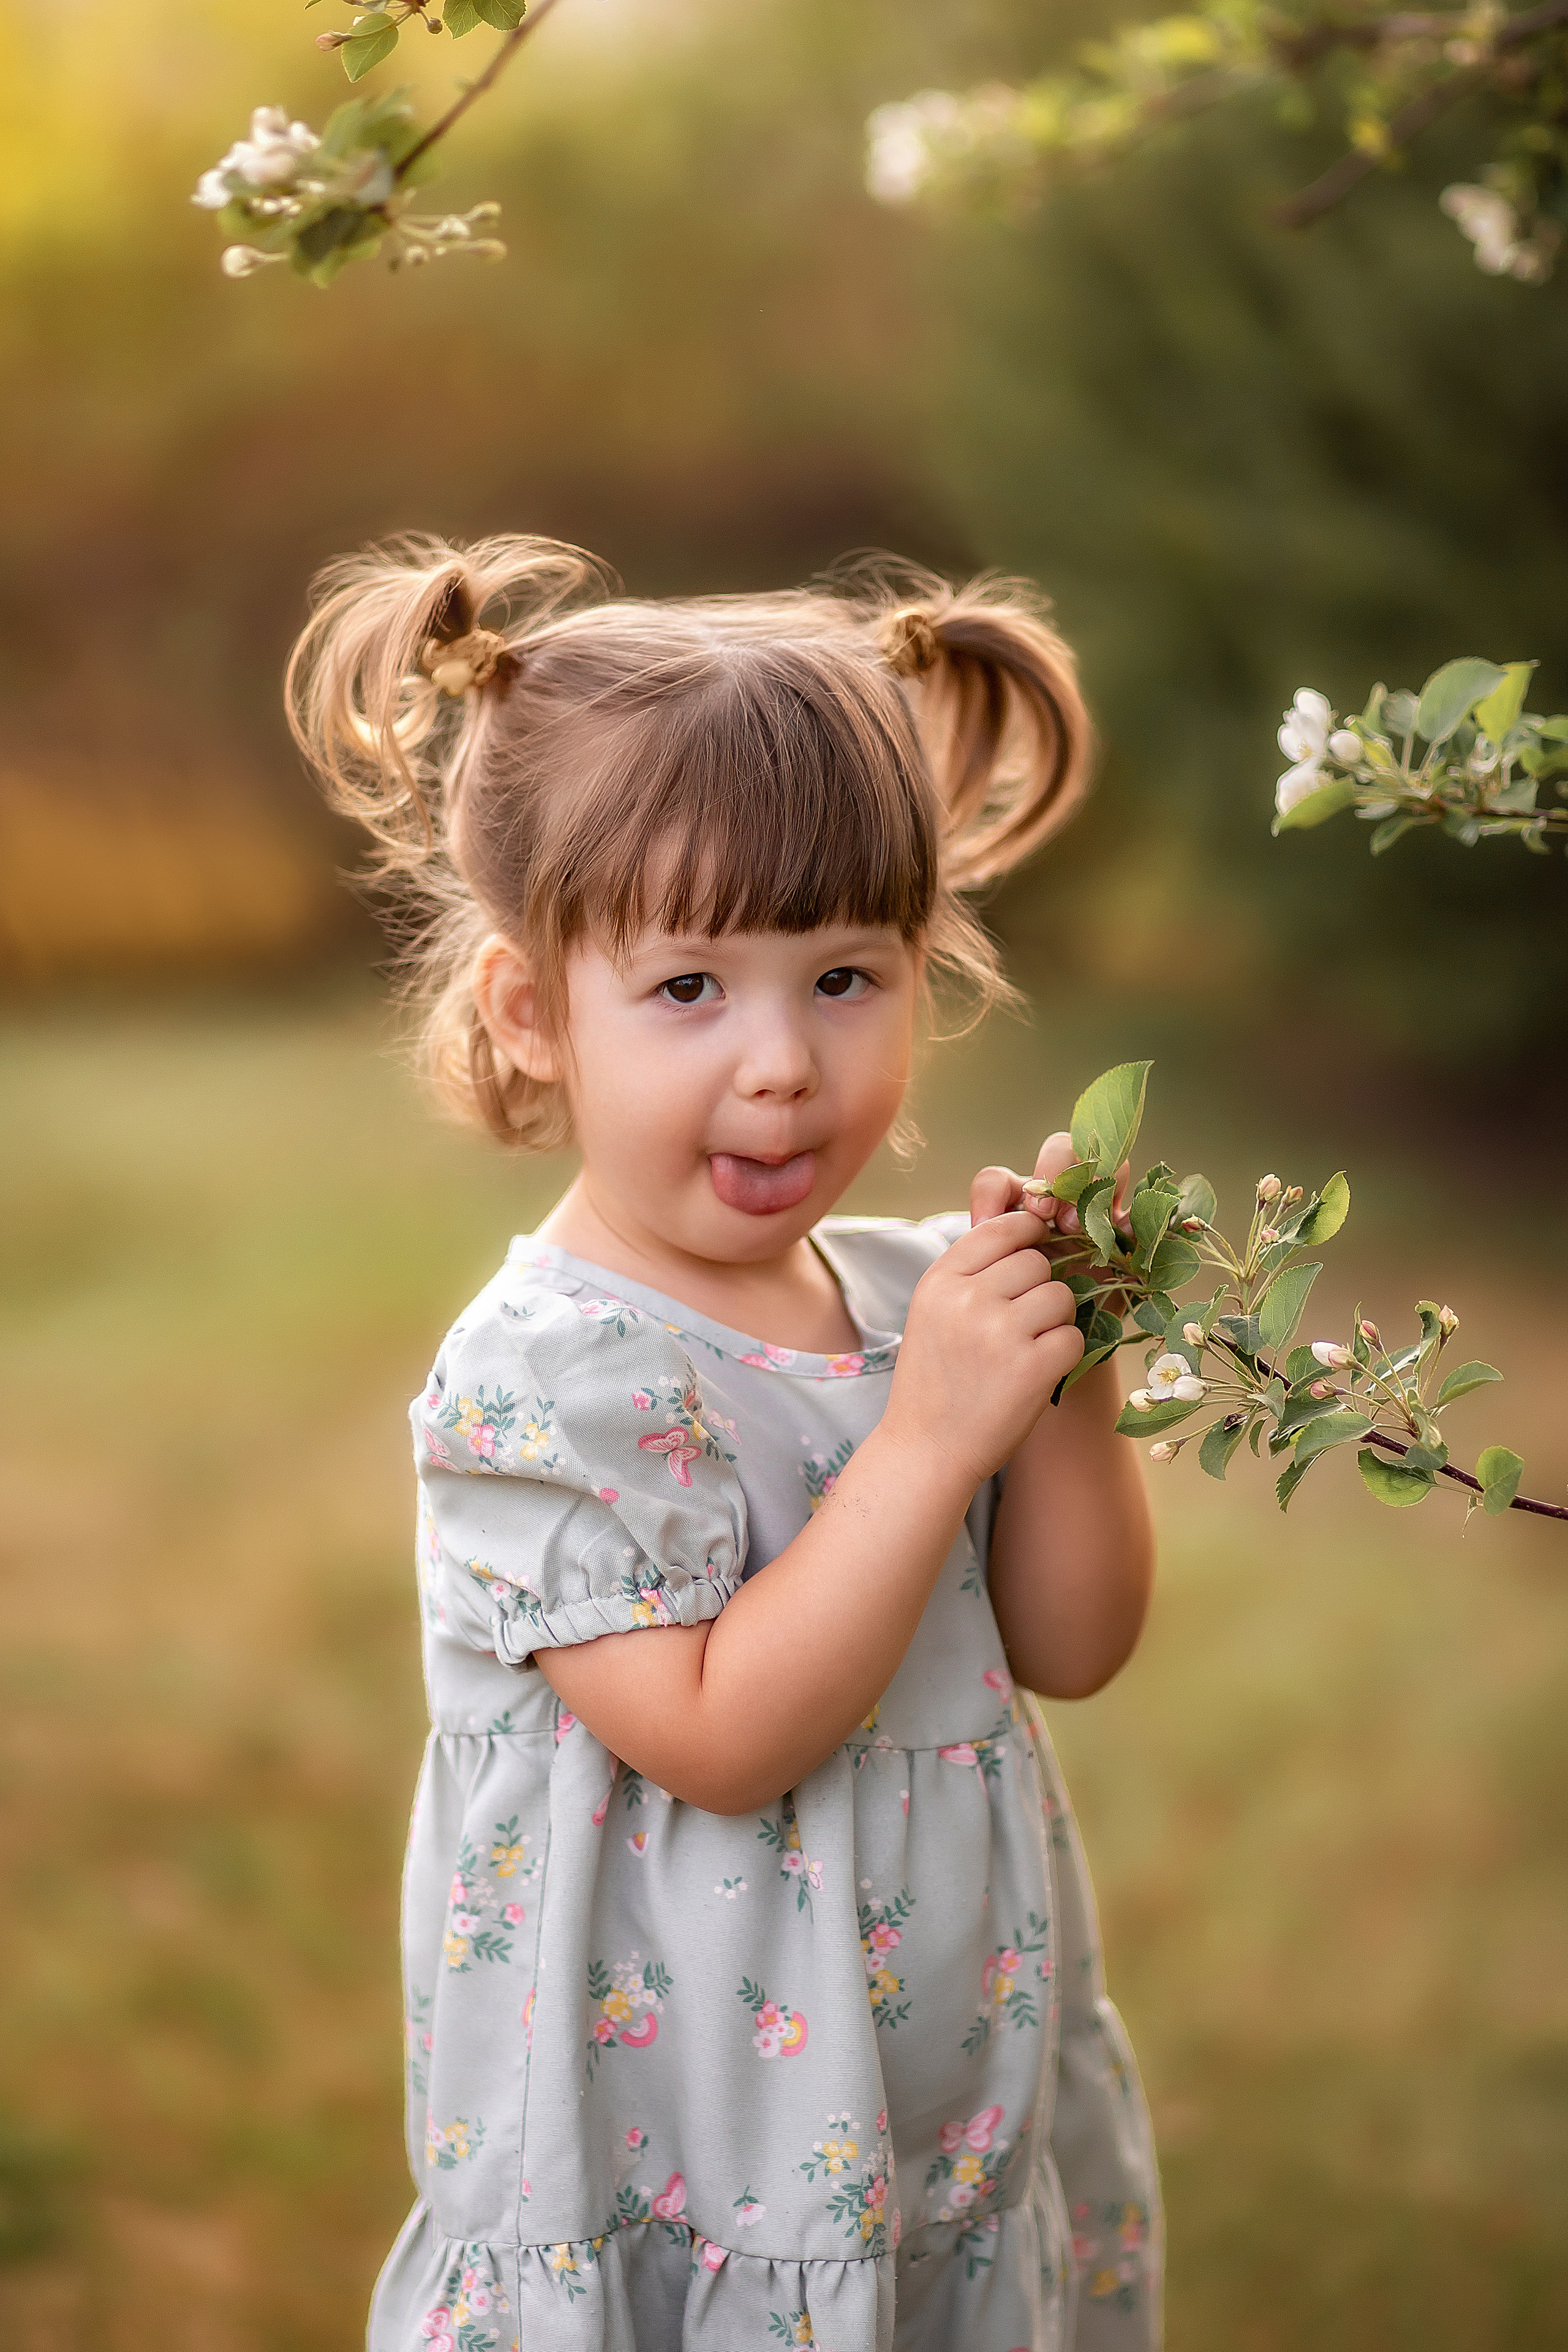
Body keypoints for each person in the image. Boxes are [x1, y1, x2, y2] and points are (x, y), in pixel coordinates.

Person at [285, 535, 1161, 2352]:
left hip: (931, 2121)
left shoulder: (917, 1301)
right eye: (691, 990)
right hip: (689, 2157)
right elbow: (720, 1740)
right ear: (537, 1012)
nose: (781, 1065)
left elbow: (1073, 1645)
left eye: (846, 977)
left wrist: (1062, 1377)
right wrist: (926, 1441)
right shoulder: (542, 1380)